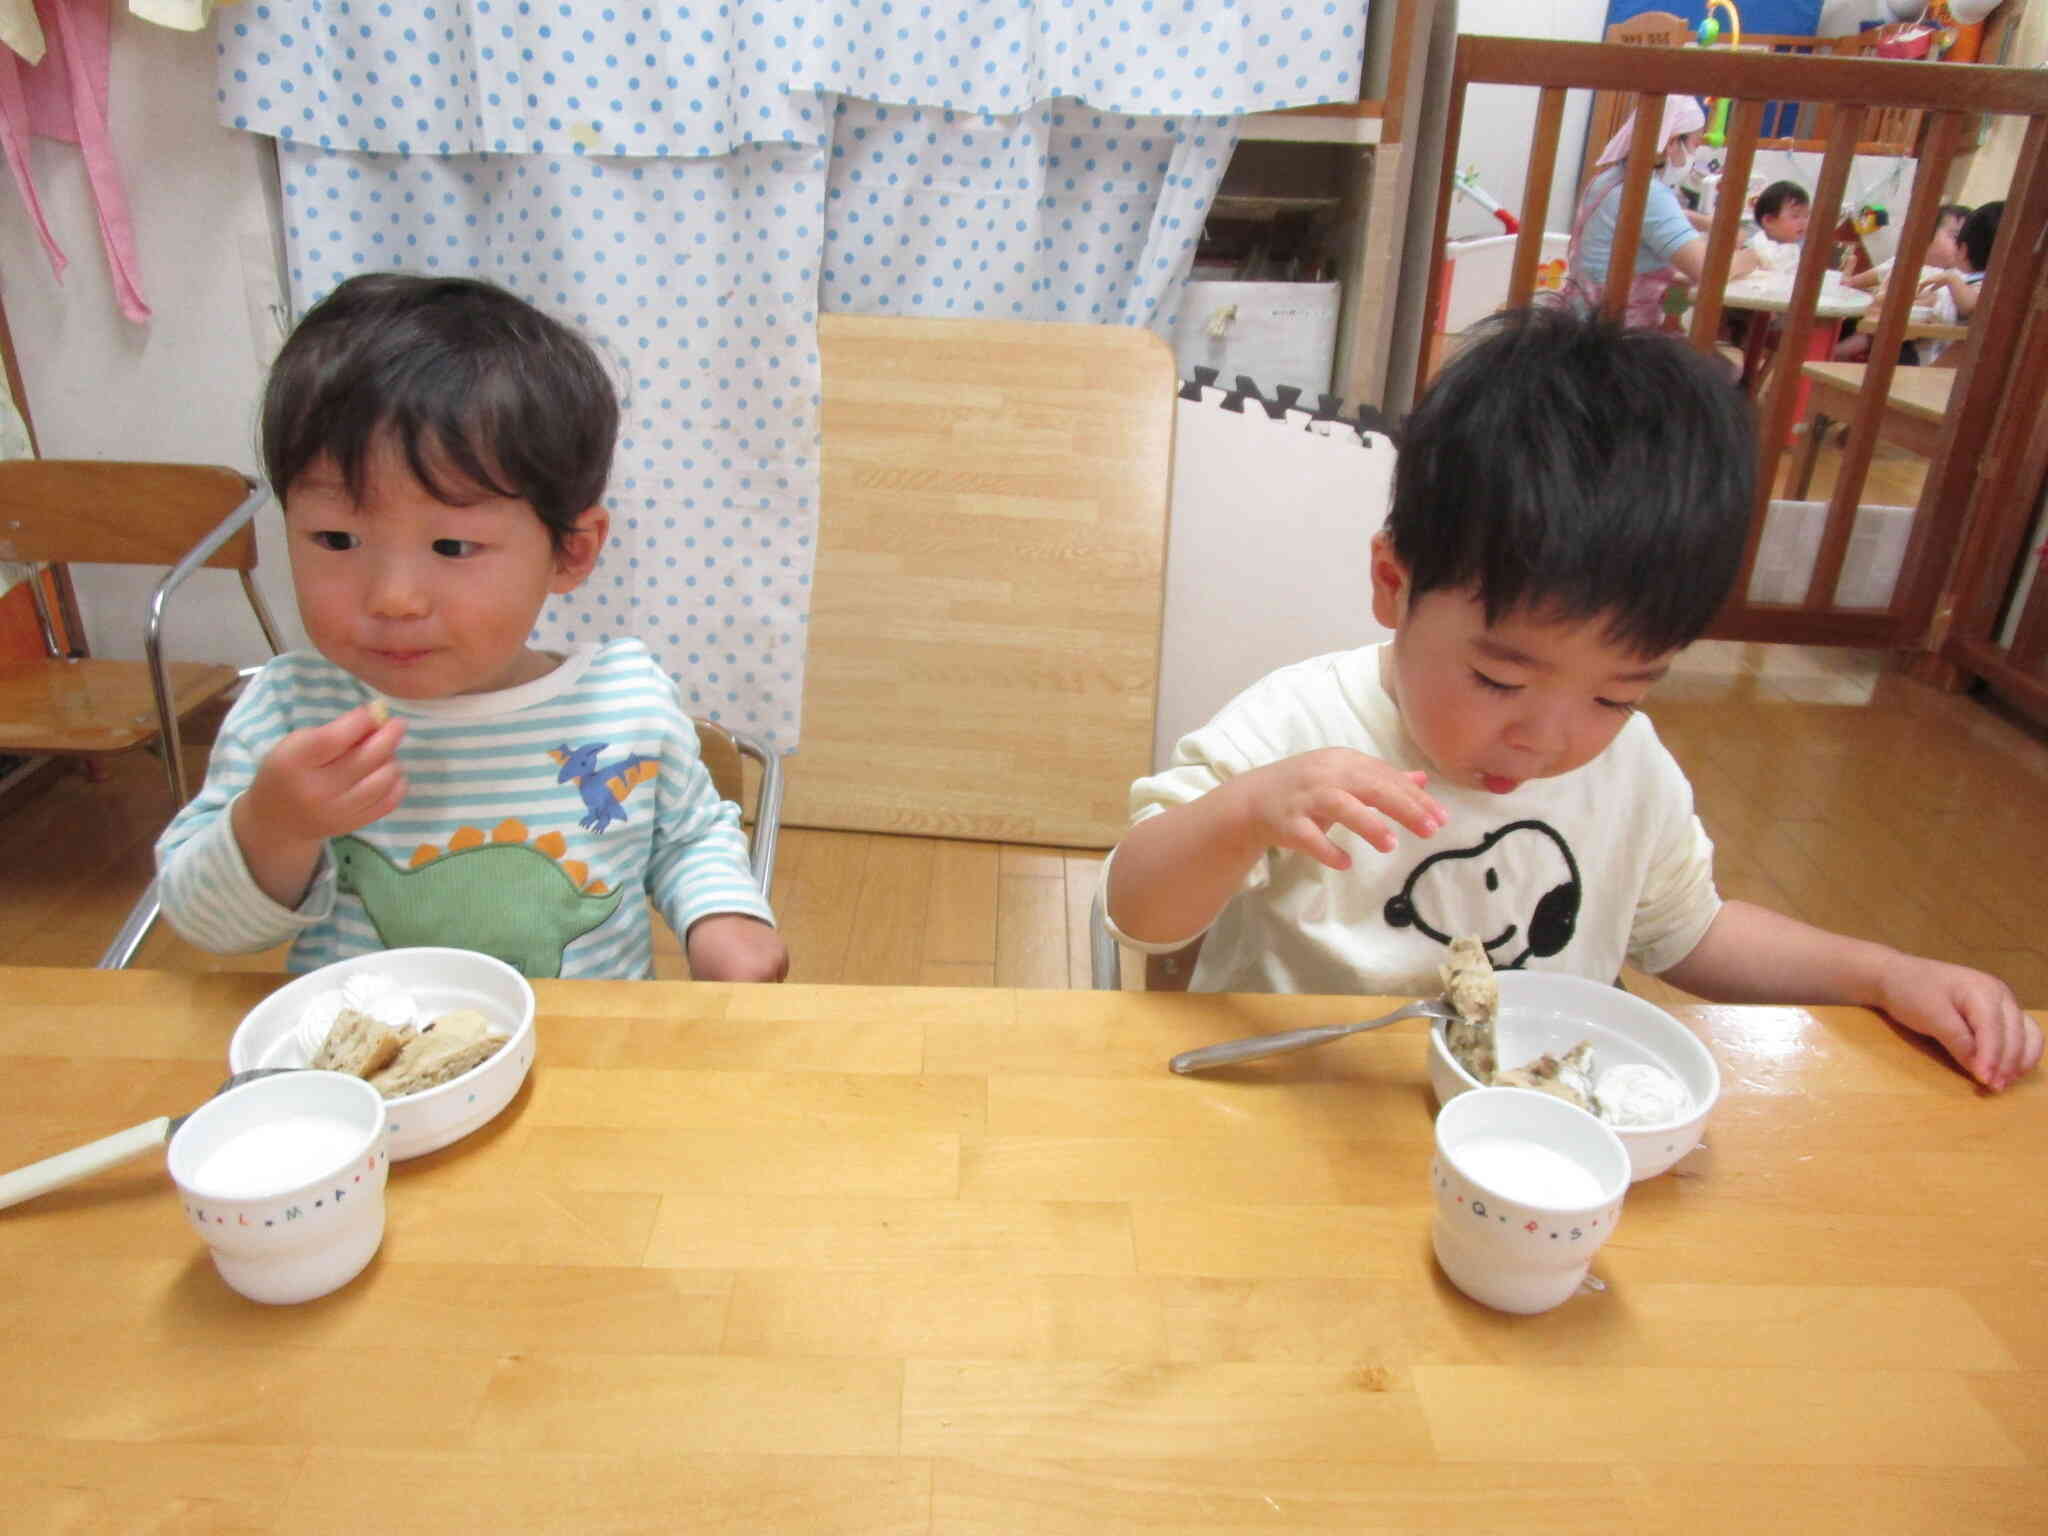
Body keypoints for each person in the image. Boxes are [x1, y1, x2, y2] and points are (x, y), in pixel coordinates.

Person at [1101, 307, 2039, 1093]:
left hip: (1530, 1125)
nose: (1548, 740)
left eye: (1618, 694)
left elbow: (1690, 933)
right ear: (1393, 583)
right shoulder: (1303, 729)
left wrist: (1881, 973)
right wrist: (1249, 811)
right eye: (1501, 680)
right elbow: (1140, 911)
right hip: (1306, 1113)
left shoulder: (1627, 772)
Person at [156, 273, 789, 984]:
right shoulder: (291, 711)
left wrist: (725, 920)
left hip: (586, 1062)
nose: (393, 598)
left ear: (570, 551)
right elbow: (204, 926)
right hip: (362, 1073)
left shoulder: (623, 701)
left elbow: (687, 837)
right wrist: (274, 826)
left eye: (452, 547)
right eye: (335, 539)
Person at [1558, 96, 1759, 330]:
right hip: (1617, 333)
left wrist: (1705, 222)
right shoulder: (1648, 193)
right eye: (1695, 144)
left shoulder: (1609, 179)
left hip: (1577, 319)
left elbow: (1651, 221)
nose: (1694, 155)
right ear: (1673, 143)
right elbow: (1708, 270)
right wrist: (1751, 258)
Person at [1914, 200, 2000, 364]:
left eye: (1956, 239)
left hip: (1933, 361)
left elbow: (1970, 305)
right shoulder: (1962, 278)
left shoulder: (1975, 283)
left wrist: (1950, 278)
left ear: (1963, 250)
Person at [1747, 180, 1810, 275]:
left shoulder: (1797, 248)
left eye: (1806, 216)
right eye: (1795, 216)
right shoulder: (1754, 248)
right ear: (1769, 221)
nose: (1804, 222)